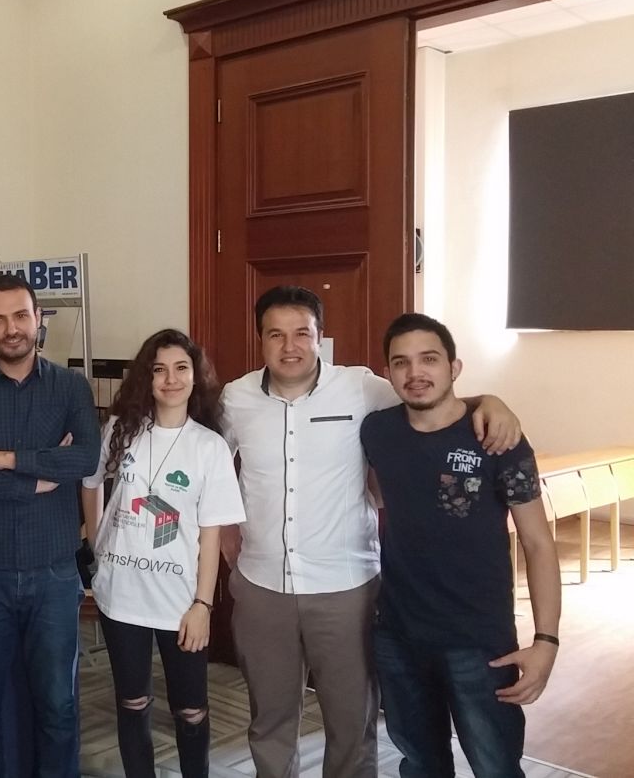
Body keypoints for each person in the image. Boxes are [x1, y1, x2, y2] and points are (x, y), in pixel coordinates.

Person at [217, 285, 522, 778]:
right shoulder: (236, 397)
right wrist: (225, 533)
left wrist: (490, 400)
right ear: (261, 340)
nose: (290, 346)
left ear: (320, 336)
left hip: (346, 589)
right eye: (276, 335)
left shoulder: (361, 388)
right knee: (269, 719)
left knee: (352, 723)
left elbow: (430, 400)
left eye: (302, 333)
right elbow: (210, 467)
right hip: (261, 586)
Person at [362, 313, 559, 778]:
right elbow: (377, 494)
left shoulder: (498, 437)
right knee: (420, 764)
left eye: (429, 359)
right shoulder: (378, 430)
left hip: (479, 641)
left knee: (496, 767)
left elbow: (538, 542)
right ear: (388, 373)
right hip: (398, 634)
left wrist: (546, 640)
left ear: (454, 367)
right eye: (401, 362)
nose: (415, 373)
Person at [0, 273, 101, 777]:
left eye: (20, 316)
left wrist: (6, 459)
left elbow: (85, 459)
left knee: (58, 706)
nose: (11, 328)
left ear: (37, 318)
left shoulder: (71, 386)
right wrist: (37, 479)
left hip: (54, 571)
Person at [82, 329, 245, 778]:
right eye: (159, 369)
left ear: (196, 377)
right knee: (132, 702)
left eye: (181, 368)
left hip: (181, 602)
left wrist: (203, 605)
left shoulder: (209, 446)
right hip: (121, 595)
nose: (170, 379)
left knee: (191, 710)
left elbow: (211, 533)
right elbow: (91, 483)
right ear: (146, 377)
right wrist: (97, 544)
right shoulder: (120, 430)